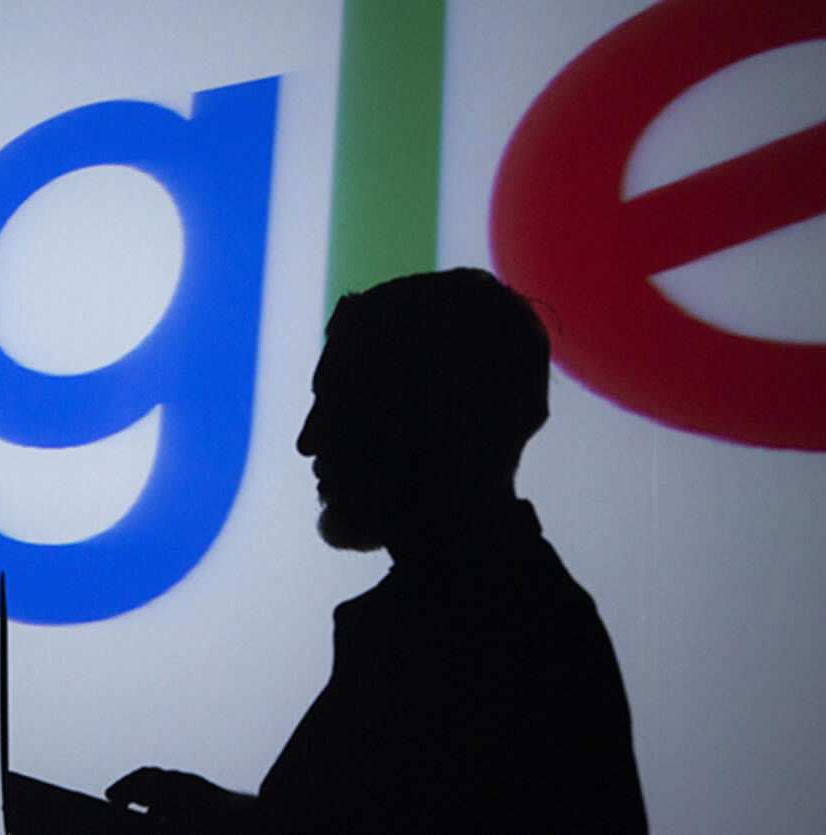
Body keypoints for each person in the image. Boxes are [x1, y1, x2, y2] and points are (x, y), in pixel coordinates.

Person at [107, 268, 647, 833]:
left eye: (340, 403)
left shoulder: (501, 638)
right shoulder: (516, 620)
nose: (308, 439)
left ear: (424, 417)